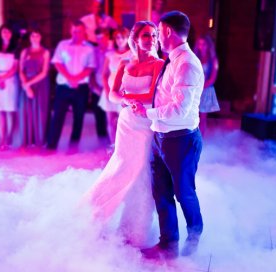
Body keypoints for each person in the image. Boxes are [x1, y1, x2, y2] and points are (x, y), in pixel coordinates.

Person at [82, 21, 164, 246]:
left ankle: (134, 229)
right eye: (146, 35)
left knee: (138, 170)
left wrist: (134, 100)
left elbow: (153, 94)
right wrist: (127, 100)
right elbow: (112, 95)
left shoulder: (159, 64)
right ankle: (96, 215)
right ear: (135, 39)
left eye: (154, 35)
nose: (151, 39)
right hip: (127, 122)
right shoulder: (124, 63)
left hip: (146, 123)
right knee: (121, 166)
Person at [132, 11, 204, 259]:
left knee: (184, 193)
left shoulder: (187, 63)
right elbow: (163, 97)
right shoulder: (171, 60)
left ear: (169, 32)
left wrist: (147, 113)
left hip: (181, 139)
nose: (157, 39)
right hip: (160, 136)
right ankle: (168, 244)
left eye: (159, 33)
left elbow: (179, 109)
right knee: (161, 193)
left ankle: (194, 239)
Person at [47, 20, 96, 151]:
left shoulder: (89, 48)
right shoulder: (62, 45)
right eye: (74, 31)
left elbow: (90, 67)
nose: (76, 34)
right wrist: (70, 78)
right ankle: (51, 147)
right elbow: (57, 63)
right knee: (57, 116)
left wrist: (76, 79)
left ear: (84, 32)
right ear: (70, 31)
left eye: (79, 31)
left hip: (81, 89)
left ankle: (73, 148)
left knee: (78, 118)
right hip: (63, 87)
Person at [0, 24, 20, 150]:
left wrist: (4, 77)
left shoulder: (16, 48)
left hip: (10, 80)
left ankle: (9, 136)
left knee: (9, 110)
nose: (6, 34)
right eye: (3, 32)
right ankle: (1, 136)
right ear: (0, 33)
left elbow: (15, 67)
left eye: (8, 32)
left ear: (11, 34)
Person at [98, 27, 132, 145]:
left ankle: (122, 146)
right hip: (110, 89)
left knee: (122, 120)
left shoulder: (132, 54)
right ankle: (112, 145)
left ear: (128, 38)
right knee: (110, 120)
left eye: (122, 37)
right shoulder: (110, 55)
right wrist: (107, 91)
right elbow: (104, 74)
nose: (119, 40)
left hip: (124, 91)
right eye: (117, 37)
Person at [18, 27, 50, 148]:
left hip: (40, 84)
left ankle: (39, 141)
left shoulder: (45, 52)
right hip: (25, 84)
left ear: (41, 37)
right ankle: (26, 141)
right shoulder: (24, 52)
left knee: (39, 112)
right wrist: (26, 86)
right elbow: (21, 70)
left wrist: (29, 84)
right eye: (32, 36)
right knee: (25, 111)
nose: (34, 38)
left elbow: (44, 72)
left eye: (37, 35)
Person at [193, 34, 220, 134]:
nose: (201, 46)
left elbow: (213, 78)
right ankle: (193, 139)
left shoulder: (213, 60)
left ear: (208, 45)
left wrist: (202, 87)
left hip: (206, 89)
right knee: (194, 116)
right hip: (196, 89)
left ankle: (201, 139)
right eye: (199, 44)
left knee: (203, 118)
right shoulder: (195, 57)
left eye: (203, 44)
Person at [89, 28, 110, 144]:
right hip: (97, 88)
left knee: (110, 118)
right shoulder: (93, 52)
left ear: (107, 37)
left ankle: (111, 143)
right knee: (99, 118)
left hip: (110, 89)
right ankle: (101, 146)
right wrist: (95, 87)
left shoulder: (112, 52)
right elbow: (90, 72)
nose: (100, 41)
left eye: (102, 38)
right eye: (98, 38)